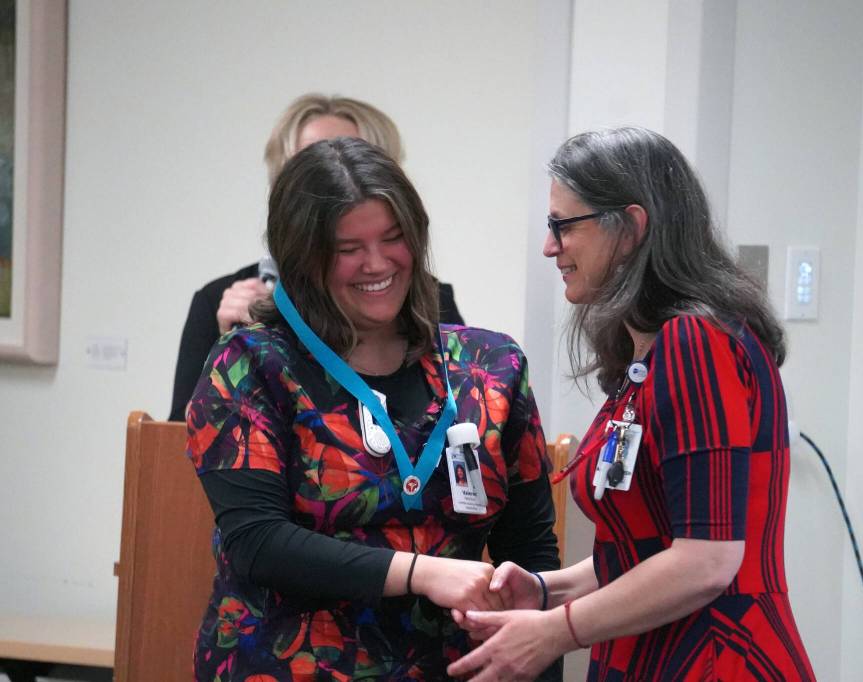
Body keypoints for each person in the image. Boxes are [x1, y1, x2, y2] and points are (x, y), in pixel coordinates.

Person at [448, 127, 815, 681]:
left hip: (713, 659)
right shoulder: (656, 350)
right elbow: (646, 548)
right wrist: (548, 589)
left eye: (562, 225)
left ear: (631, 228)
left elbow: (705, 562)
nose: (550, 247)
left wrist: (555, 632)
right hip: (657, 654)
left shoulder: (697, 342)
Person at [186, 137, 559, 679]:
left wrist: (537, 659)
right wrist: (422, 572)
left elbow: (529, 552)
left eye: (393, 238)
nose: (377, 263)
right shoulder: (251, 363)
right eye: (348, 248)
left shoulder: (490, 365)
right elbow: (257, 542)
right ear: (302, 256)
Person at [170, 93, 463, 421]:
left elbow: (465, 426)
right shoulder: (220, 302)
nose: (334, 178)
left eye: (351, 161)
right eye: (309, 165)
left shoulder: (432, 300)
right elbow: (180, 448)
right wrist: (236, 355)